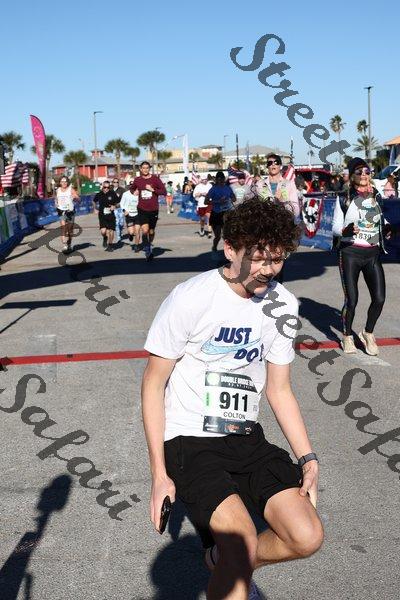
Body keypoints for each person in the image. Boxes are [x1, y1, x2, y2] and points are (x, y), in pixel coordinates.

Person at [142, 199, 323, 600]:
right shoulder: (190, 297)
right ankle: (233, 561)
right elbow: (153, 384)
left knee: (306, 536)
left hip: (245, 437)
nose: (268, 269)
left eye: (278, 258)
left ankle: (225, 561)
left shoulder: (283, 305)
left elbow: (279, 389)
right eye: (258, 258)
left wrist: (308, 458)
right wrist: (159, 474)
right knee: (240, 542)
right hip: (189, 440)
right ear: (230, 249)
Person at [332, 157, 392, 355]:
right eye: (359, 172)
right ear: (352, 176)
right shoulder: (344, 197)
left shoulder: (376, 195)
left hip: (372, 253)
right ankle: (347, 336)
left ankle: (368, 332)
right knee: (352, 300)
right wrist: (347, 230)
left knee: (380, 298)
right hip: (350, 253)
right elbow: (335, 228)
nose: (364, 175)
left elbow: (380, 219)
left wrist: (387, 228)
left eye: (367, 171)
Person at [132, 161, 167, 261]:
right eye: (143, 168)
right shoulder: (137, 180)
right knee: (145, 230)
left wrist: (153, 190)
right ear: (140, 169)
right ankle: (148, 251)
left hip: (153, 209)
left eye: (147, 168)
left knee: (151, 231)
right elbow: (132, 188)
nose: (145, 170)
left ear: (149, 169)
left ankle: (149, 245)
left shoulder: (155, 179)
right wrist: (134, 191)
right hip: (142, 208)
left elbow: (164, 191)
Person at [205, 171, 236, 261]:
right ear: (216, 180)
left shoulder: (228, 188)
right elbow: (206, 201)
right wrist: (217, 201)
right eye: (218, 179)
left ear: (223, 179)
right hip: (216, 213)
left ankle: (229, 253)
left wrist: (230, 198)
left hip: (226, 213)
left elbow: (234, 198)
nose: (220, 181)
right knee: (218, 236)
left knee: (227, 235)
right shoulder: (213, 189)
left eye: (221, 179)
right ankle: (214, 248)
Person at [259, 154, 300, 219]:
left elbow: (296, 210)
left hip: (283, 221)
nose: (273, 164)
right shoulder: (259, 184)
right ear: (267, 166)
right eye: (270, 163)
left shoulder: (289, 184)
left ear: (280, 166)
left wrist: (282, 201)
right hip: (265, 221)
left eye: (276, 162)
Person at [55, 176, 80, 253]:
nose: (64, 183)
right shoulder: (58, 190)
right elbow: (56, 199)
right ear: (60, 182)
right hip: (61, 211)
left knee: (70, 230)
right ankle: (65, 245)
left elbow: (79, 199)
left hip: (70, 211)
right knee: (63, 227)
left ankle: (69, 244)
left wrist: (75, 198)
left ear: (67, 182)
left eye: (65, 181)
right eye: (62, 181)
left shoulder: (71, 189)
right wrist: (56, 203)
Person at [93, 180, 119, 252]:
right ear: (102, 187)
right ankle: (105, 238)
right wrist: (95, 208)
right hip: (102, 215)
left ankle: (110, 245)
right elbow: (94, 201)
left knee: (111, 230)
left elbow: (118, 203)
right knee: (103, 231)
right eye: (105, 187)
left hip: (111, 215)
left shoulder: (112, 193)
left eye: (108, 187)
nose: (106, 189)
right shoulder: (99, 194)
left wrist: (114, 206)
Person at [120, 181, 141, 251]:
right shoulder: (126, 194)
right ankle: (130, 235)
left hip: (138, 215)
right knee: (131, 232)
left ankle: (137, 246)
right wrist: (124, 210)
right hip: (129, 215)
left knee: (137, 231)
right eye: (131, 185)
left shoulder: (140, 194)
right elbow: (121, 204)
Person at [193, 173, 212, 237]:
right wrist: (201, 194)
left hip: (209, 203)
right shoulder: (198, 186)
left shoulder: (210, 185)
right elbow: (194, 195)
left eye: (206, 179)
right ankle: (202, 228)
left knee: (209, 217)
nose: (205, 180)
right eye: (203, 179)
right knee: (202, 218)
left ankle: (209, 232)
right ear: (201, 180)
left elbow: (213, 193)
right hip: (201, 204)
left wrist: (208, 195)